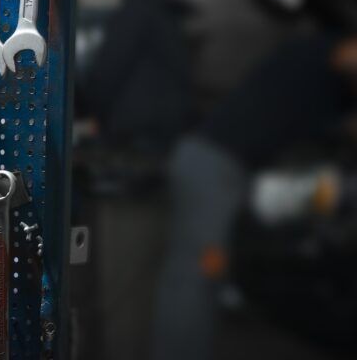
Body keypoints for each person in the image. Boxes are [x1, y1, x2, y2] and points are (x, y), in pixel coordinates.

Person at [151, 31, 357, 360]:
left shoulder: (330, 93)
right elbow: (347, 57)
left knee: (207, 275)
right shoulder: (315, 53)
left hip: (227, 170)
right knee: (198, 273)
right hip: (212, 165)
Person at [80, 0, 193, 164]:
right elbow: (109, 67)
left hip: (155, 133)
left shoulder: (165, 14)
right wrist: (95, 113)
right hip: (138, 135)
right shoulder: (139, 12)